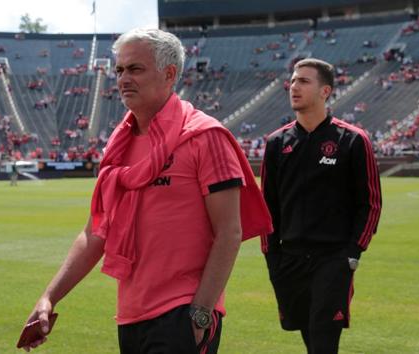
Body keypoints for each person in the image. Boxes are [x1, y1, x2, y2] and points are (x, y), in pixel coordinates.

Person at [20, 28, 272, 353]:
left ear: (169, 74)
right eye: (120, 70)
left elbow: (229, 232)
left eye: (135, 69)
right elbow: (95, 233)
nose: (124, 78)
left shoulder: (206, 136)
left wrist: (201, 313)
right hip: (130, 315)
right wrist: (48, 297)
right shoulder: (118, 146)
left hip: (183, 311)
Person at [261, 58, 382, 354]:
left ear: (325, 91)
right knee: (310, 340)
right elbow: (266, 205)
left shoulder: (352, 140)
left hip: (333, 259)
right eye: (292, 80)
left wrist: (352, 254)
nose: (294, 86)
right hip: (289, 259)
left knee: (323, 341)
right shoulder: (277, 143)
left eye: (303, 81)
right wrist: (272, 256)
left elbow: (371, 203)